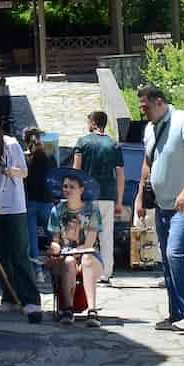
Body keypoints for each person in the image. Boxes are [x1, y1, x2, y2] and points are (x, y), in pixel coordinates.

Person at [133, 84, 184, 334]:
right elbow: (148, 162)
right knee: (169, 261)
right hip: (163, 205)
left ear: (159, 102)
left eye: (145, 106)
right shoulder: (150, 128)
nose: (142, 111)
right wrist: (139, 197)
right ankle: (176, 314)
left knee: (176, 255)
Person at [0, 112, 43, 324]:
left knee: (19, 253)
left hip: (13, 207)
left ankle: (30, 300)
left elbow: (24, 172)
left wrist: (10, 171)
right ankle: (9, 295)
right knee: (0, 255)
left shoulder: (11, 144)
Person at [73, 109, 125, 285]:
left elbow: (76, 171)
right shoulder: (113, 145)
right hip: (108, 196)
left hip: (88, 195)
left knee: (88, 234)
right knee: (106, 236)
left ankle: (87, 269)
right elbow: (120, 175)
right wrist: (119, 200)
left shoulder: (83, 143)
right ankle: (106, 272)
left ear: (93, 123)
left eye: (89, 122)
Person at [47, 172, 103, 325]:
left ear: (81, 190)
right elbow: (56, 240)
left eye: (72, 187)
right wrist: (54, 247)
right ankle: (68, 309)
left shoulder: (92, 210)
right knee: (69, 261)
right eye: (65, 186)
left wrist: (76, 252)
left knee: (86, 259)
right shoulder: (57, 210)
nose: (67, 190)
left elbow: (89, 244)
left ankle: (92, 311)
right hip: (66, 257)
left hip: (89, 255)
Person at [23, 126, 56, 284]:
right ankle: (55, 267)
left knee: (32, 239)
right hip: (47, 201)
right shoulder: (50, 157)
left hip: (30, 202)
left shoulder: (26, 158)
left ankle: (38, 272)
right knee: (53, 237)